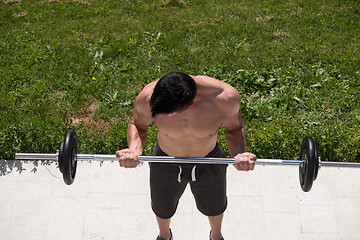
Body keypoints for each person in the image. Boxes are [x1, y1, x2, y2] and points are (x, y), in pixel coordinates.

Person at [116, 72, 256, 240]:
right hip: (165, 160)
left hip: (209, 160)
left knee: (215, 206)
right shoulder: (148, 97)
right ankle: (164, 236)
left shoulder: (224, 98)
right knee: (162, 207)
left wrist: (239, 154)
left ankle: (216, 236)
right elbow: (138, 125)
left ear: (190, 105)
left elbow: (234, 129)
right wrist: (134, 150)